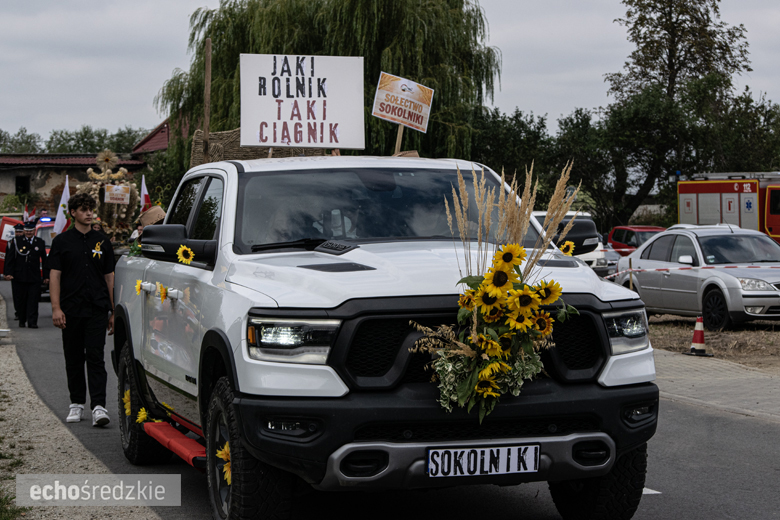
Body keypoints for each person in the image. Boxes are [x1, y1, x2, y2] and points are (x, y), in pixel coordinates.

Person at [48, 193, 115, 427]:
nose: (88, 213)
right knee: (74, 357)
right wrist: (56, 308)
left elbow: (109, 278)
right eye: (84, 209)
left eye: (91, 209)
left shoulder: (102, 241)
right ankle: (76, 403)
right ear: (73, 212)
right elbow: (54, 276)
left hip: (97, 308)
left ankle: (99, 406)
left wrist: (113, 311)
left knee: (96, 357)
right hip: (71, 309)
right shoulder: (61, 242)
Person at [4, 221, 48, 328]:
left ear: (34, 231)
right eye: (27, 230)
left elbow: (45, 261)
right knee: (21, 300)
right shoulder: (17, 241)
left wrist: (46, 276)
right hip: (20, 276)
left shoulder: (39, 242)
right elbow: (10, 259)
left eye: (31, 230)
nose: (29, 232)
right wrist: (8, 273)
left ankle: (32, 321)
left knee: (33, 300)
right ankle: (22, 319)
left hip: (34, 277)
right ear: (24, 231)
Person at [3, 223, 25, 320]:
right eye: (17, 232)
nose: (18, 234)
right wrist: (7, 272)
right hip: (16, 272)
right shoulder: (11, 243)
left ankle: (26, 312)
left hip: (26, 272)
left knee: (26, 294)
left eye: (20, 232)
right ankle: (18, 312)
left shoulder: (27, 242)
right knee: (17, 294)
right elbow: (8, 259)